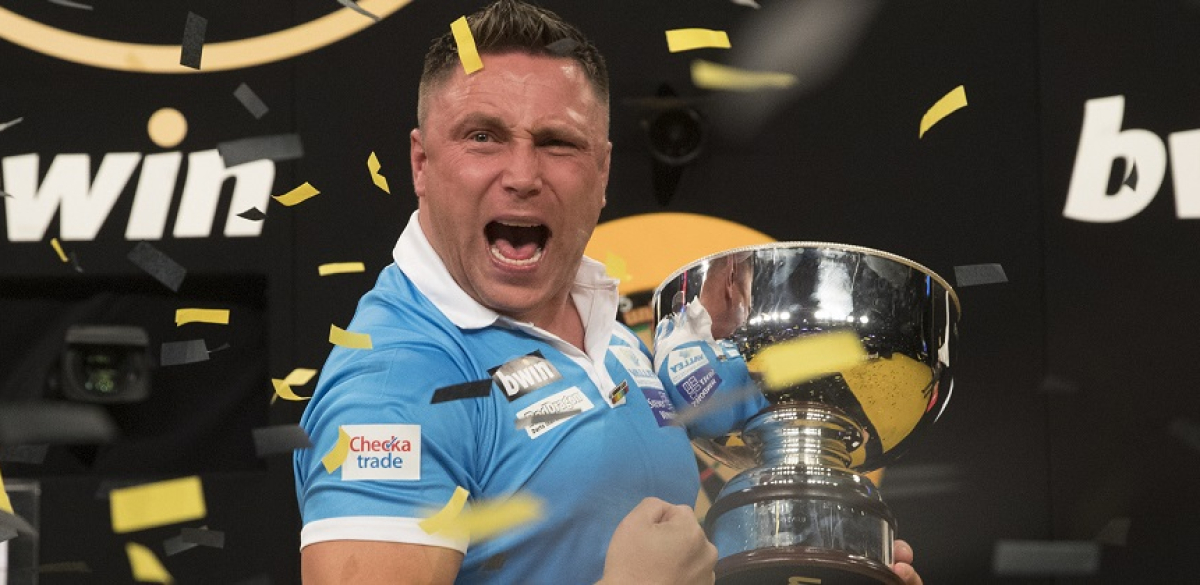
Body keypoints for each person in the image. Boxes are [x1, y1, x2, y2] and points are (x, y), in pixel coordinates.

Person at [293, 2, 922, 583]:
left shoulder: (613, 336)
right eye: (482, 136)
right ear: (421, 163)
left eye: (557, 142)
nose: (522, 175)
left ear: (602, 173)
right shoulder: (392, 388)